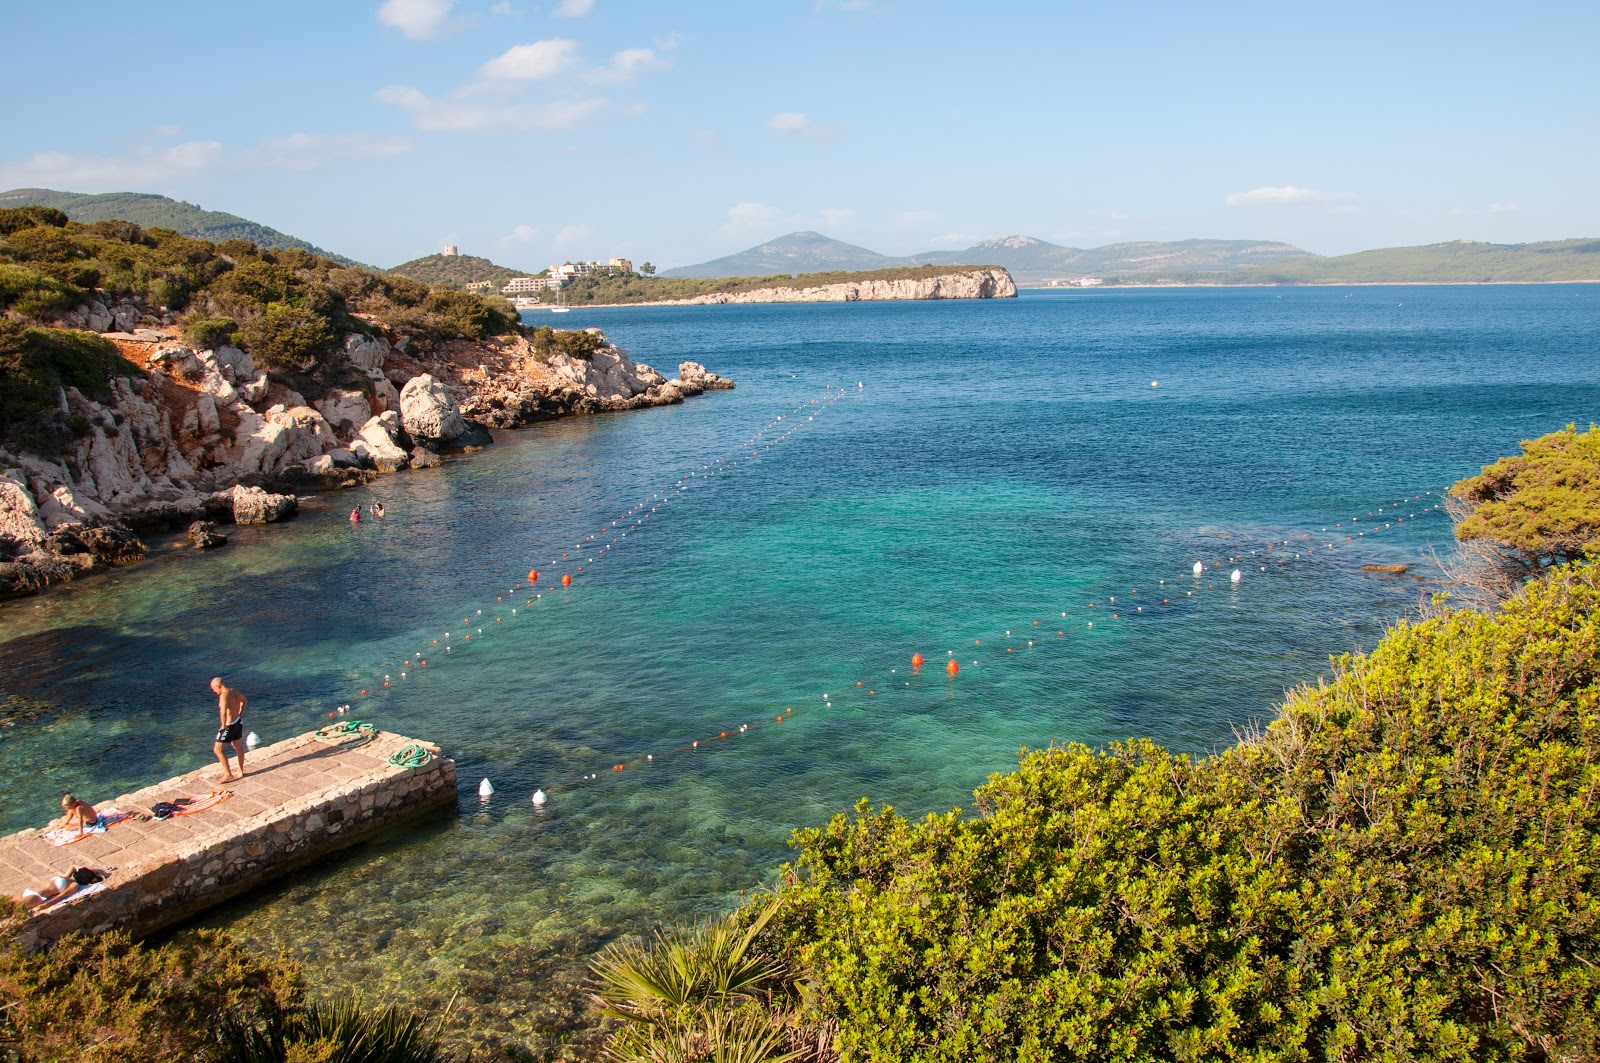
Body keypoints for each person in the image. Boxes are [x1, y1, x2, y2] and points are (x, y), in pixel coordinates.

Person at [210, 676, 248, 783]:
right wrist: (240, 714)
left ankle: (227, 774)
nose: (213, 690)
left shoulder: (224, 696)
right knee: (238, 746)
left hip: (229, 725)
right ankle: (240, 771)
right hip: (237, 722)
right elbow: (244, 701)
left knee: (217, 749)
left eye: (214, 688)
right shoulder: (234, 691)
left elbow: (222, 712)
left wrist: (223, 726)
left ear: (219, 686)